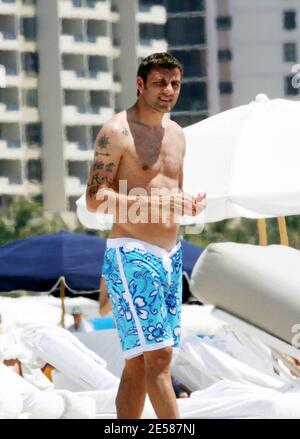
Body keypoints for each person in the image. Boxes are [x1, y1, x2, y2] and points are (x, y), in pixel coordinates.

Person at [86, 52, 206, 419]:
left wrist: (188, 205)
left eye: (174, 83)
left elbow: (172, 195)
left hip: (170, 255)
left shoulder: (178, 135)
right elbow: (95, 199)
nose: (168, 90)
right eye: (159, 83)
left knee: (139, 361)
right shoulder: (116, 132)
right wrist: (156, 206)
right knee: (159, 357)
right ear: (140, 84)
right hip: (132, 253)